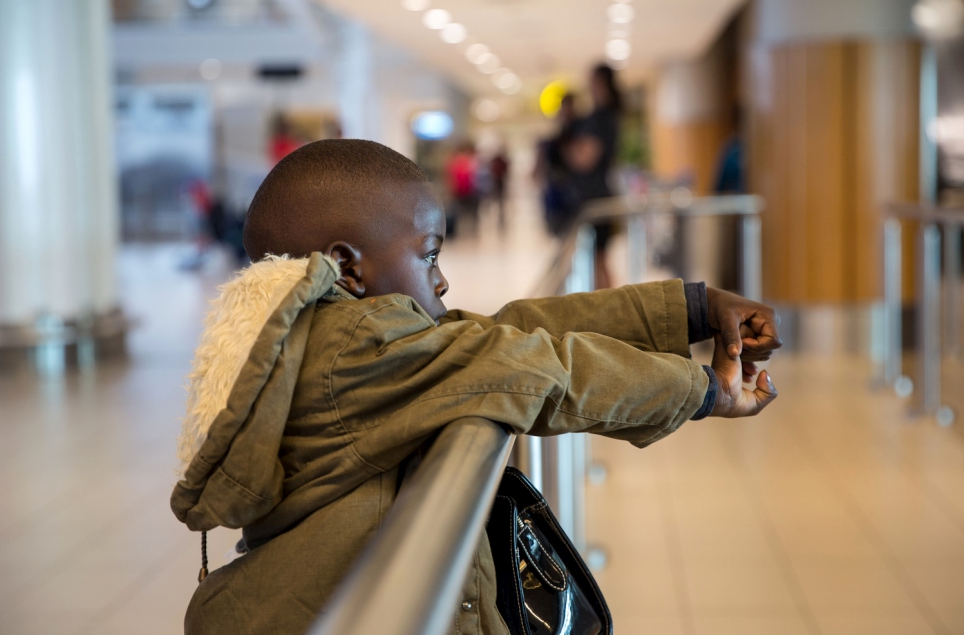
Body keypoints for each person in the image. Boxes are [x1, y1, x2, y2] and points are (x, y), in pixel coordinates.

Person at [171, 139, 781, 635]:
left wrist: (691, 310)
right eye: (429, 255)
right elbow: (532, 366)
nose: (441, 281)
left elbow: (501, 334)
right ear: (349, 267)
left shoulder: (327, 336)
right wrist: (704, 391)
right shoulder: (360, 344)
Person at [566, 63, 622, 289]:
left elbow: (585, 159)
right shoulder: (602, 116)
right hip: (595, 195)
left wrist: (568, 149)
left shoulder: (602, 117)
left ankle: (609, 312)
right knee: (598, 260)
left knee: (599, 261)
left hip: (595, 197)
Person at [534, 93, 579, 236]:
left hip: (573, 190)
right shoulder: (553, 140)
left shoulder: (578, 134)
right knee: (559, 232)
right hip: (556, 190)